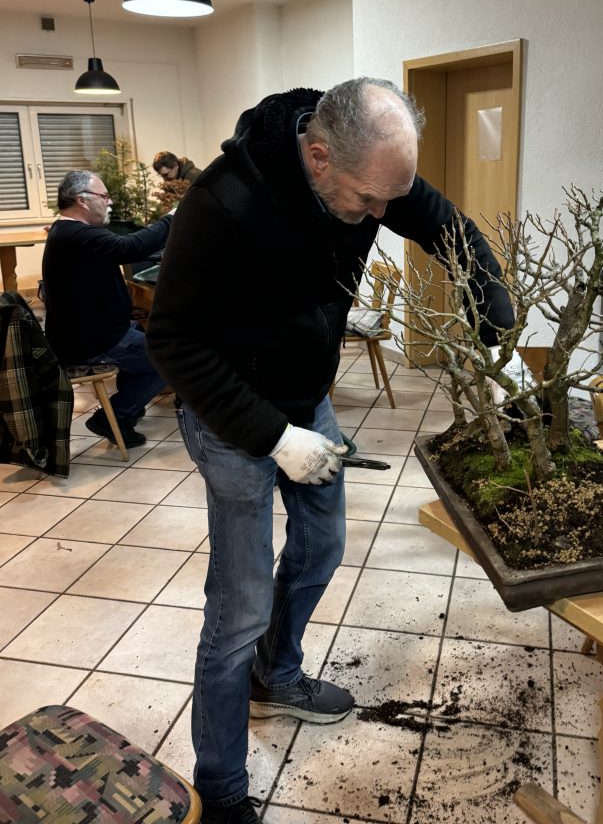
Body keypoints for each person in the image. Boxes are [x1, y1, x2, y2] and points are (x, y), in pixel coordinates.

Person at [146, 78, 515, 824]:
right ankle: (221, 786)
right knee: (240, 605)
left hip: (306, 398)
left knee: (322, 546)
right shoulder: (222, 206)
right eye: (369, 201)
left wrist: (493, 308)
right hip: (230, 418)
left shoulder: (371, 168)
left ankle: (276, 674)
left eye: (389, 199)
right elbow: (174, 344)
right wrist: (275, 439)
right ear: (318, 157)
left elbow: (441, 221)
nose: (381, 216)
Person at [43, 170, 174, 448]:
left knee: (144, 340)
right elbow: (130, 247)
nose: (110, 202)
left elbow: (126, 249)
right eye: (104, 196)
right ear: (82, 200)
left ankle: (126, 413)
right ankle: (115, 415)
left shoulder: (67, 231)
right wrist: (172, 218)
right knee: (168, 359)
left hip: (91, 334)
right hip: (92, 341)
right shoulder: (76, 235)